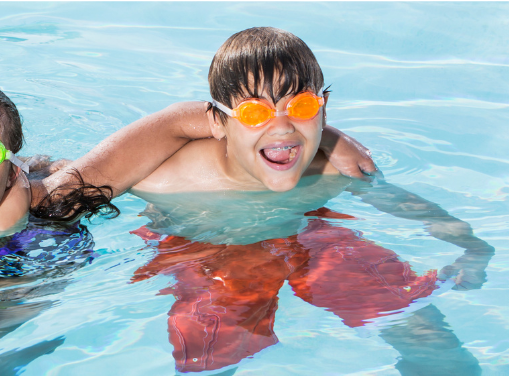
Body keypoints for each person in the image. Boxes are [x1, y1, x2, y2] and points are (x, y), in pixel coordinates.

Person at [103, 27, 493, 374]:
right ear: (218, 123)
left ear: (323, 111)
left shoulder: (335, 171)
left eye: (302, 107)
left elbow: (402, 202)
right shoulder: (165, 177)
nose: (283, 125)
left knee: (419, 326)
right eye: (256, 112)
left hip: (309, 236)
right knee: (212, 352)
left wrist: (470, 244)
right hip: (205, 248)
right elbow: (74, 186)